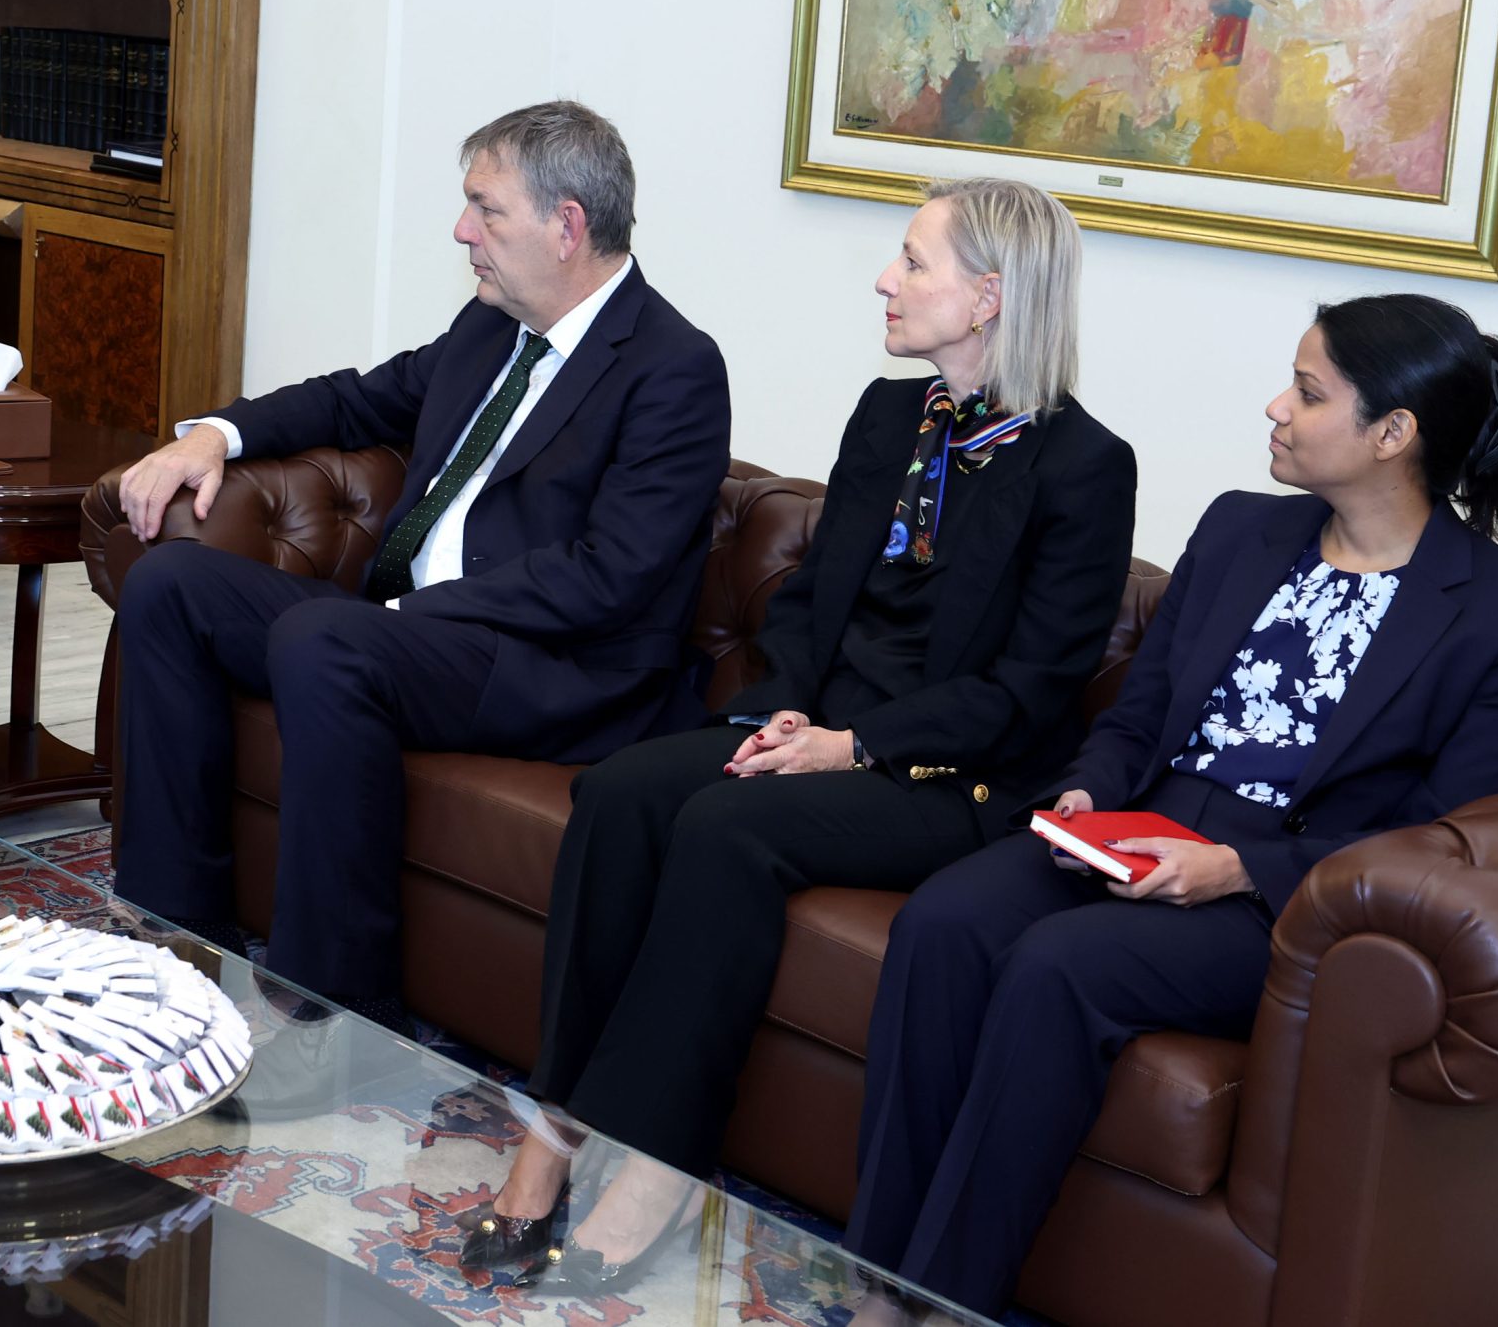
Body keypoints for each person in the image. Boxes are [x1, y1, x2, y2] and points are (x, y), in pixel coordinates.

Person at [460, 178, 1139, 1296]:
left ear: (988, 296)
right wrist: (779, 709)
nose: (885, 280)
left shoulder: (1084, 466)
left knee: (728, 826)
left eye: (912, 261)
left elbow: (1027, 690)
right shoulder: (889, 415)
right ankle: (557, 1125)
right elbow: (815, 600)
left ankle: (661, 1160)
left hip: (949, 776)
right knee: (623, 791)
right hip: (819, 731)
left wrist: (852, 743)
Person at [842, 294, 1498, 1319]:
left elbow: (1442, 833)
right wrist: (1088, 793)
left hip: (1279, 896)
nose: (1276, 406)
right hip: (1134, 828)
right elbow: (1139, 712)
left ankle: (946, 1301)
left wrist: (1237, 870)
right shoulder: (1241, 528)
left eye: (1308, 392)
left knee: (1059, 966)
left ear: (1392, 433)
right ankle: (878, 1279)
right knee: (943, 921)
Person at [111, 100, 730, 1041]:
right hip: (411, 631)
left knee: (324, 640)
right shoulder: (491, 326)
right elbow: (356, 401)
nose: (462, 230)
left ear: (566, 226)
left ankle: (333, 1006)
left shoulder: (673, 367)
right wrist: (215, 434)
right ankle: (172, 930)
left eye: (487, 209)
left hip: (549, 664)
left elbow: (612, 574)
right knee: (169, 587)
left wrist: (416, 612)